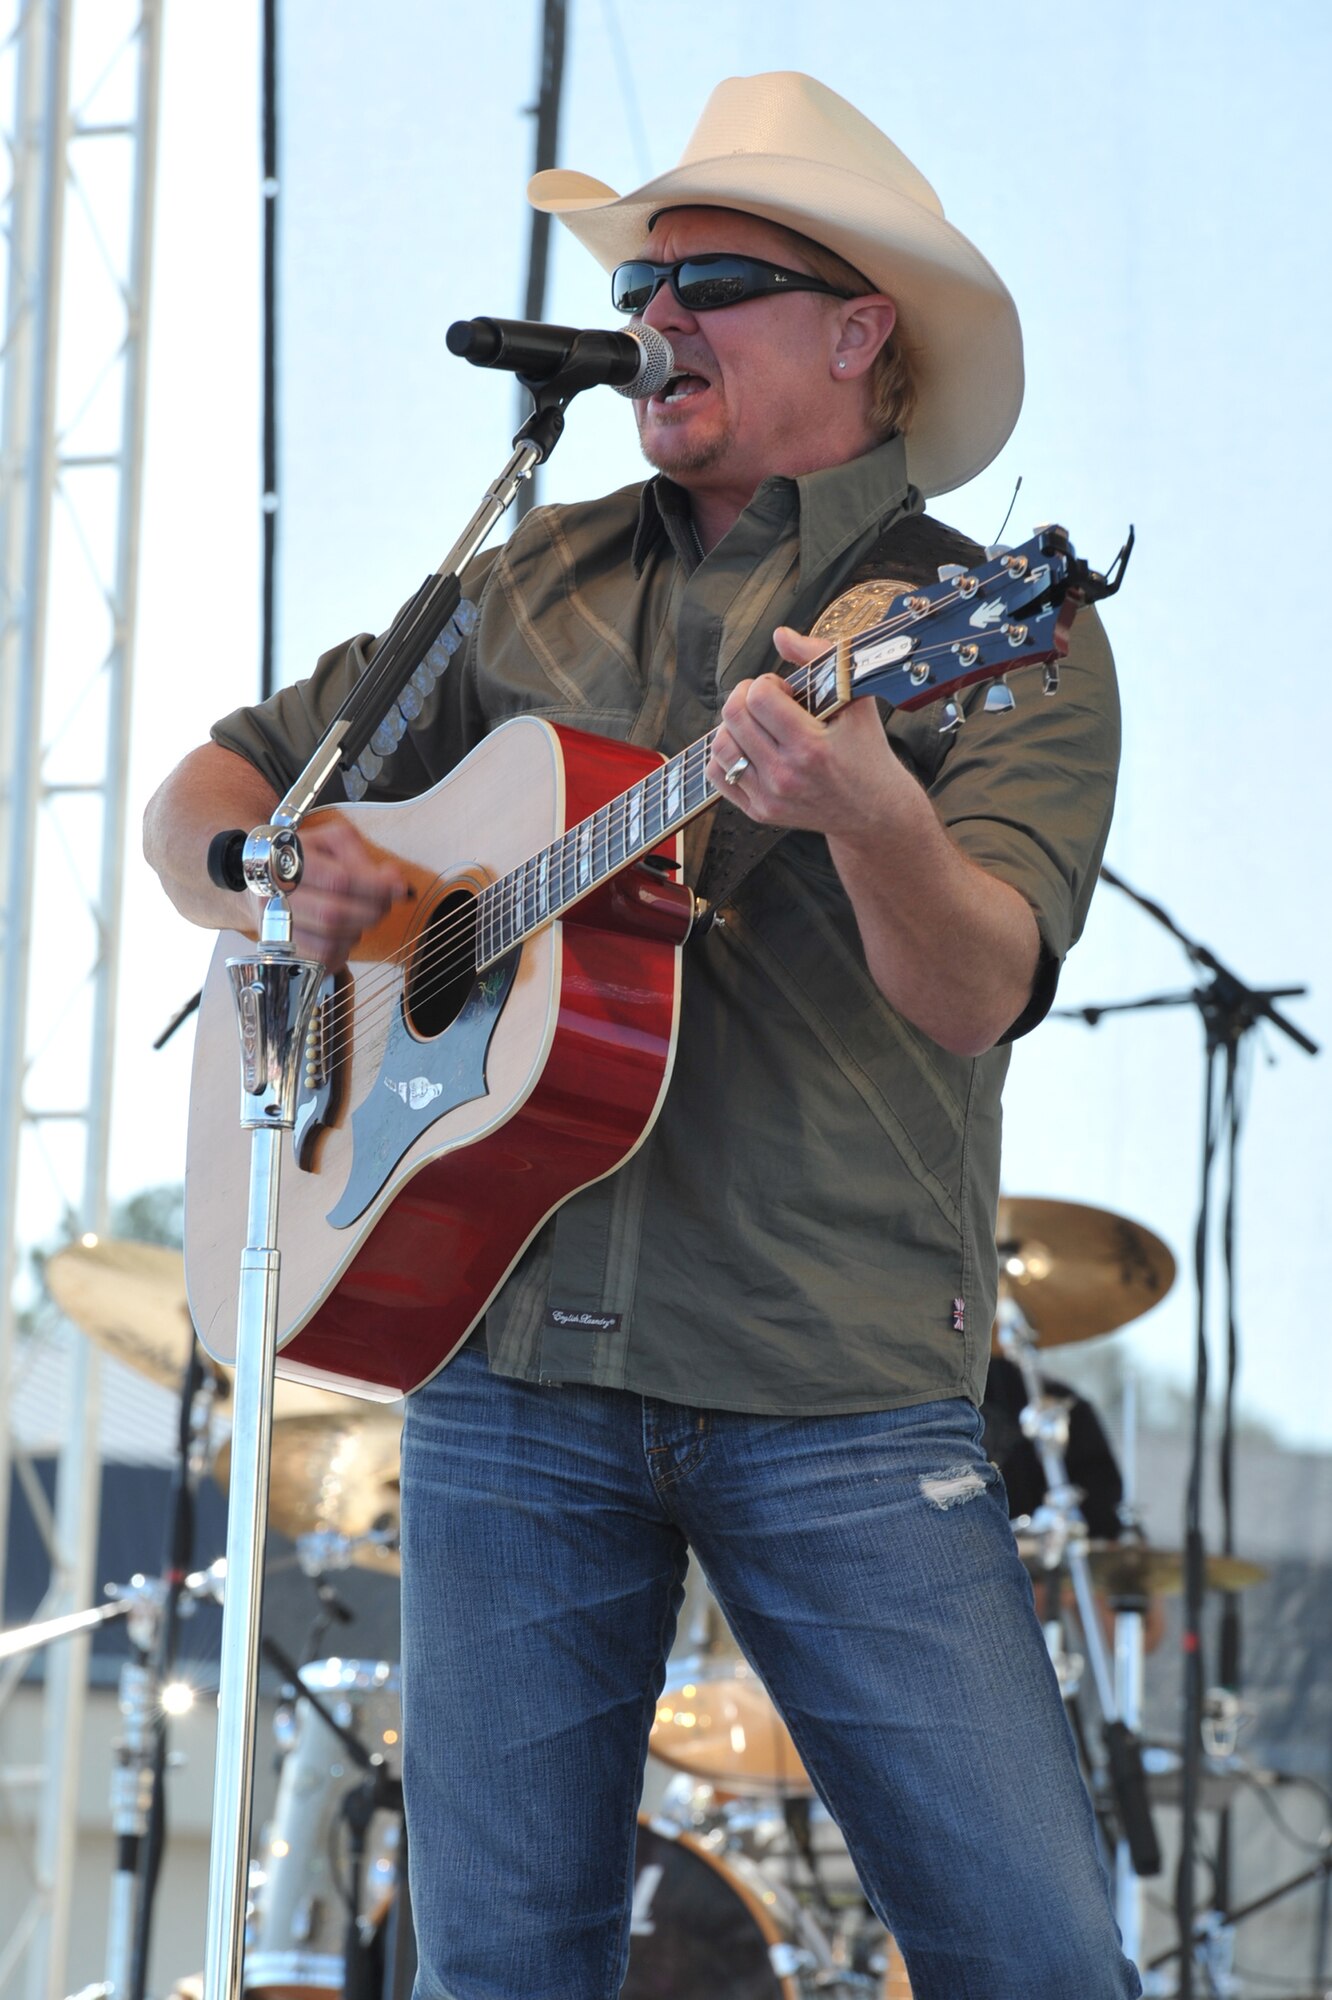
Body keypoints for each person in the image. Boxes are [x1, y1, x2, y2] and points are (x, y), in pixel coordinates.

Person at [145, 71, 1139, 2000]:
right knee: (492, 1972)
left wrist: (869, 811)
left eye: (714, 280)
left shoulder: (977, 620)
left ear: (863, 333)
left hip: (831, 1378)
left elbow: (975, 983)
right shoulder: (523, 579)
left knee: (1034, 1961)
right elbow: (216, 790)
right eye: (645, 283)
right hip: (507, 1361)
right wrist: (299, 873)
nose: (654, 318)